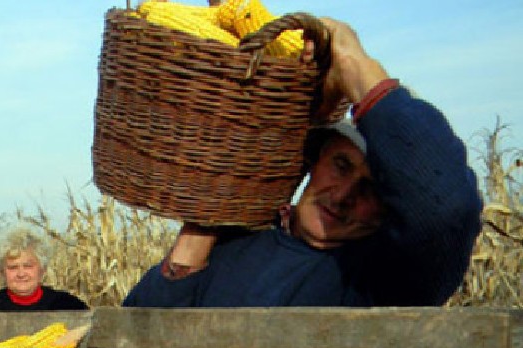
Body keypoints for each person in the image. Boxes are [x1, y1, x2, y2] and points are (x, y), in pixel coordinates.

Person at [122, 17, 483, 308]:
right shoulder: (233, 245)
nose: (343, 195)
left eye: (371, 189)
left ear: (392, 206)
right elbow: (136, 336)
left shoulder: (385, 277)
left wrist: (353, 65)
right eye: (341, 166)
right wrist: (199, 229)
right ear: (315, 159)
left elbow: (447, 208)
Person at [0, 227, 89, 311]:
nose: (21, 274)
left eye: (28, 266)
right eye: (13, 267)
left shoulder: (68, 305)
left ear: (42, 269)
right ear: (2, 272)